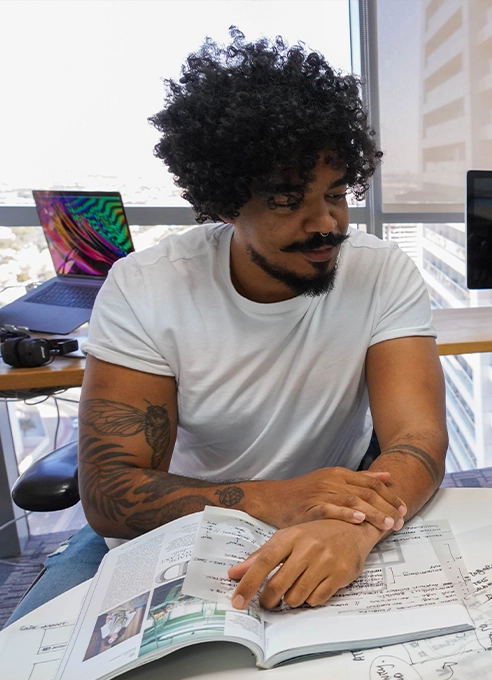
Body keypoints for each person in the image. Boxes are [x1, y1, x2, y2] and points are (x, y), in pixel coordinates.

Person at [7, 30, 446, 625]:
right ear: (224, 203)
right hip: (176, 531)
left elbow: (417, 442)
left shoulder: (380, 273)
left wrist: (356, 529)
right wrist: (276, 498)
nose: (328, 223)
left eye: (337, 194)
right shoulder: (149, 286)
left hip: (332, 523)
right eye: (289, 200)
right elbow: (110, 493)